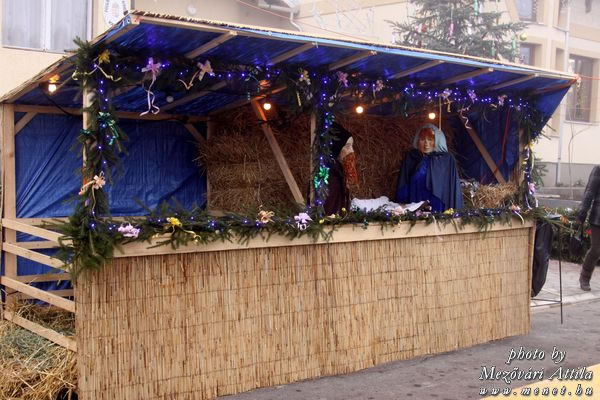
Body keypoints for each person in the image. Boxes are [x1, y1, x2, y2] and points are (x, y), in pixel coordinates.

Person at [395, 124, 463, 212]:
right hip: (415, 203)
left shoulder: (446, 159)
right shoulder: (412, 158)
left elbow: (451, 186)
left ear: (438, 141)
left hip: (438, 208)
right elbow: (404, 182)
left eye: (430, 139)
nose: (426, 144)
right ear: (417, 141)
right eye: (422, 139)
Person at [323, 122, 359, 215]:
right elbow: (329, 210)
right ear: (336, 148)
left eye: (352, 146)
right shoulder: (328, 175)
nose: (352, 151)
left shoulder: (339, 171)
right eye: (347, 146)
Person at [577, 165, 600, 291]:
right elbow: (589, 192)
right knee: (596, 249)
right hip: (598, 218)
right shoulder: (598, 170)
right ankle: (584, 277)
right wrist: (582, 212)